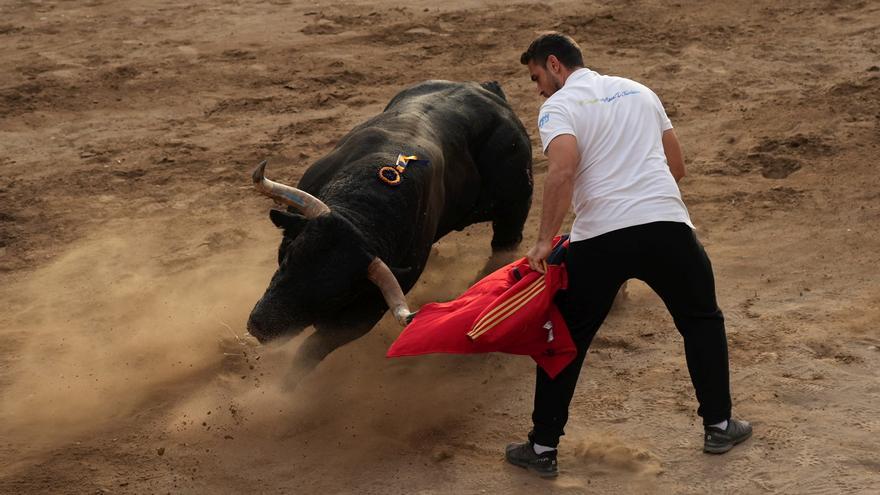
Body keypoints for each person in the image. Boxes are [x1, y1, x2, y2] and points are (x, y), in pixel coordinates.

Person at [504, 32, 752, 479]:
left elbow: (562, 171)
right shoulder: (640, 91)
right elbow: (676, 168)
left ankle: (542, 449)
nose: (538, 88)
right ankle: (719, 426)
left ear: (555, 65)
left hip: (600, 238)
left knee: (567, 340)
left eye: (537, 76)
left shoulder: (558, 108)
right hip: (667, 228)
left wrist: (544, 240)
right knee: (701, 321)